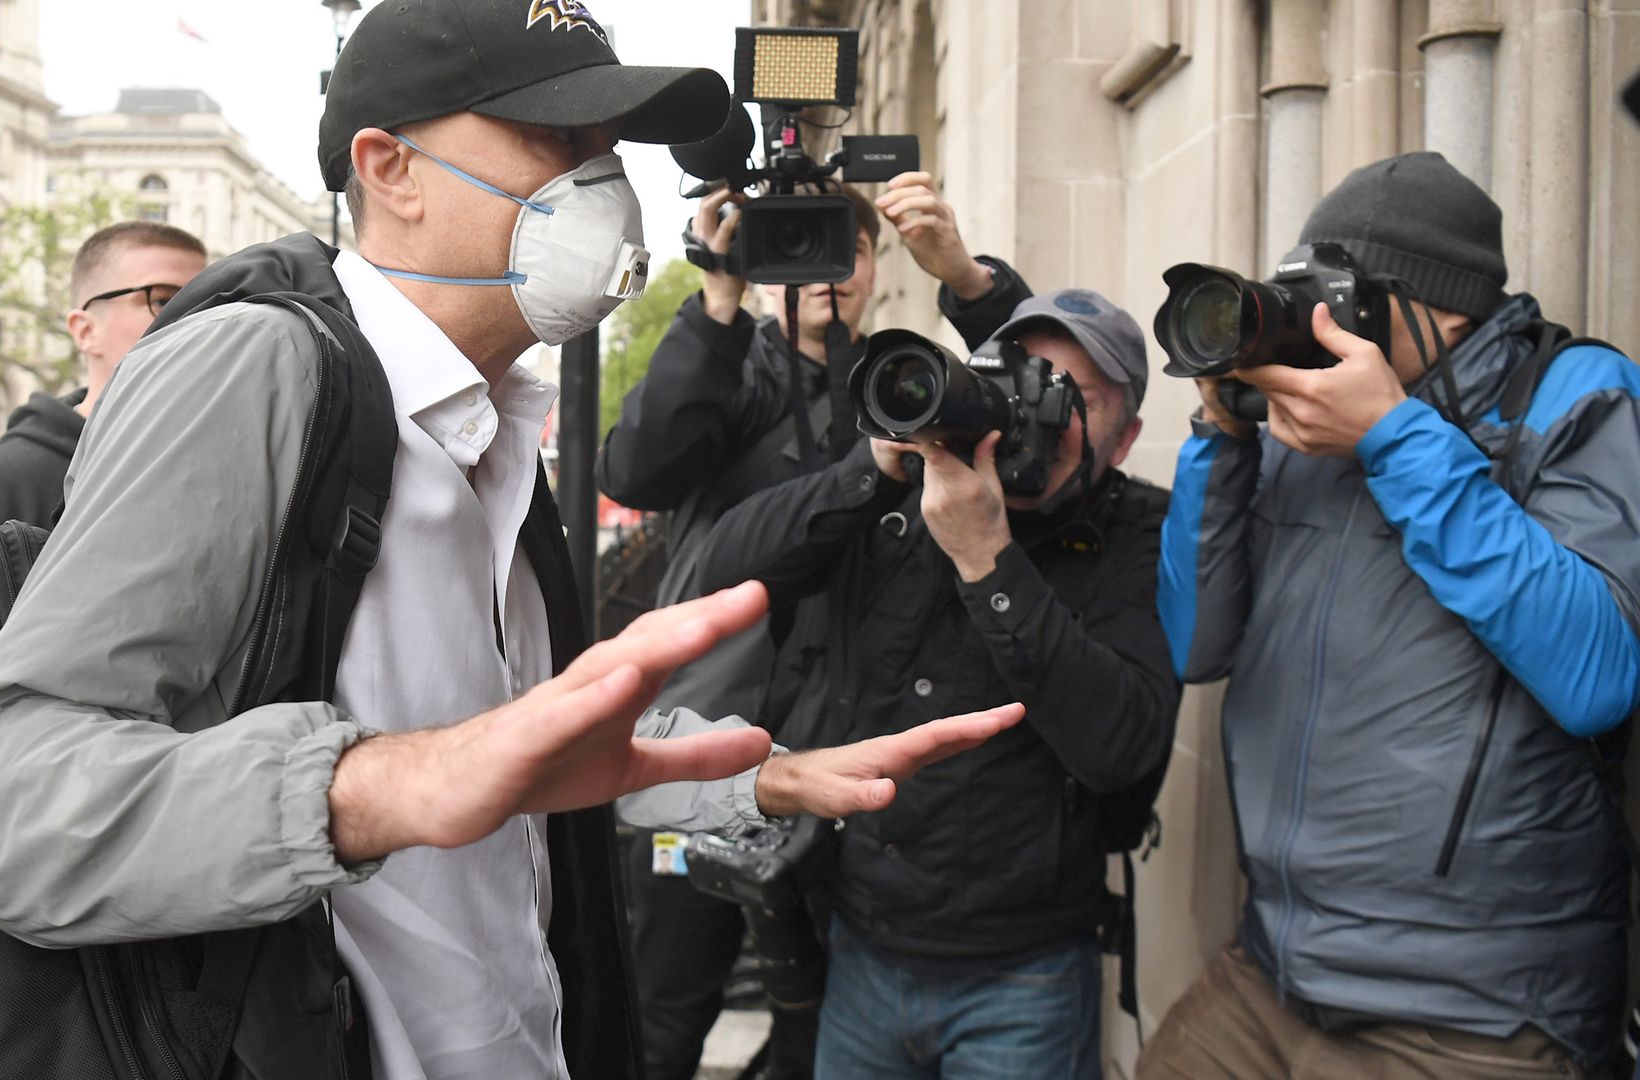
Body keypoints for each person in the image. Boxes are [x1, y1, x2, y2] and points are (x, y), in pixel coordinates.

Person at [0, 3, 1020, 1078]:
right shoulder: (258, 368)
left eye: (608, 147)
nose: (603, 184)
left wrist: (753, 776)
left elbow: (507, 749)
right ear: (390, 170)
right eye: (555, 138)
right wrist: (379, 787)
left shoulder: (488, 427)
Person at [1142, 151, 1640, 1079]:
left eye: (1339, 297)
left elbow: (1598, 674)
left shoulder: (1577, 393)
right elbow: (1195, 644)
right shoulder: (1299, 429)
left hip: (1474, 1006)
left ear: (1443, 309)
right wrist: (1220, 436)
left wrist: (1394, 438)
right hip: (1276, 964)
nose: (1312, 325)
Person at [597, 173, 1032, 1080]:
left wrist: (968, 279)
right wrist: (715, 304)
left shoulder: (899, 382)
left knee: (814, 1021)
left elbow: (1037, 406)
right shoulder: (730, 370)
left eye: (849, 245)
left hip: (841, 744)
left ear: (875, 267)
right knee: (664, 1012)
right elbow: (636, 468)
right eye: (794, 242)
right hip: (706, 736)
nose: (826, 269)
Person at [695, 289, 1181, 1079]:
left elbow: (1122, 746)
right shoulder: (904, 496)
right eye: (1025, 379)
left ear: (1123, 441)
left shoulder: (1140, 531)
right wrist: (873, 467)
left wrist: (990, 562)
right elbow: (724, 575)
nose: (1039, 413)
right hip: (863, 946)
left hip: (1021, 973)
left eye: (1074, 398)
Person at [0, 221, 208, 547]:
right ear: (86, 331)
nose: (196, 319)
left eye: (211, 303)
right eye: (164, 301)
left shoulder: (216, 468)